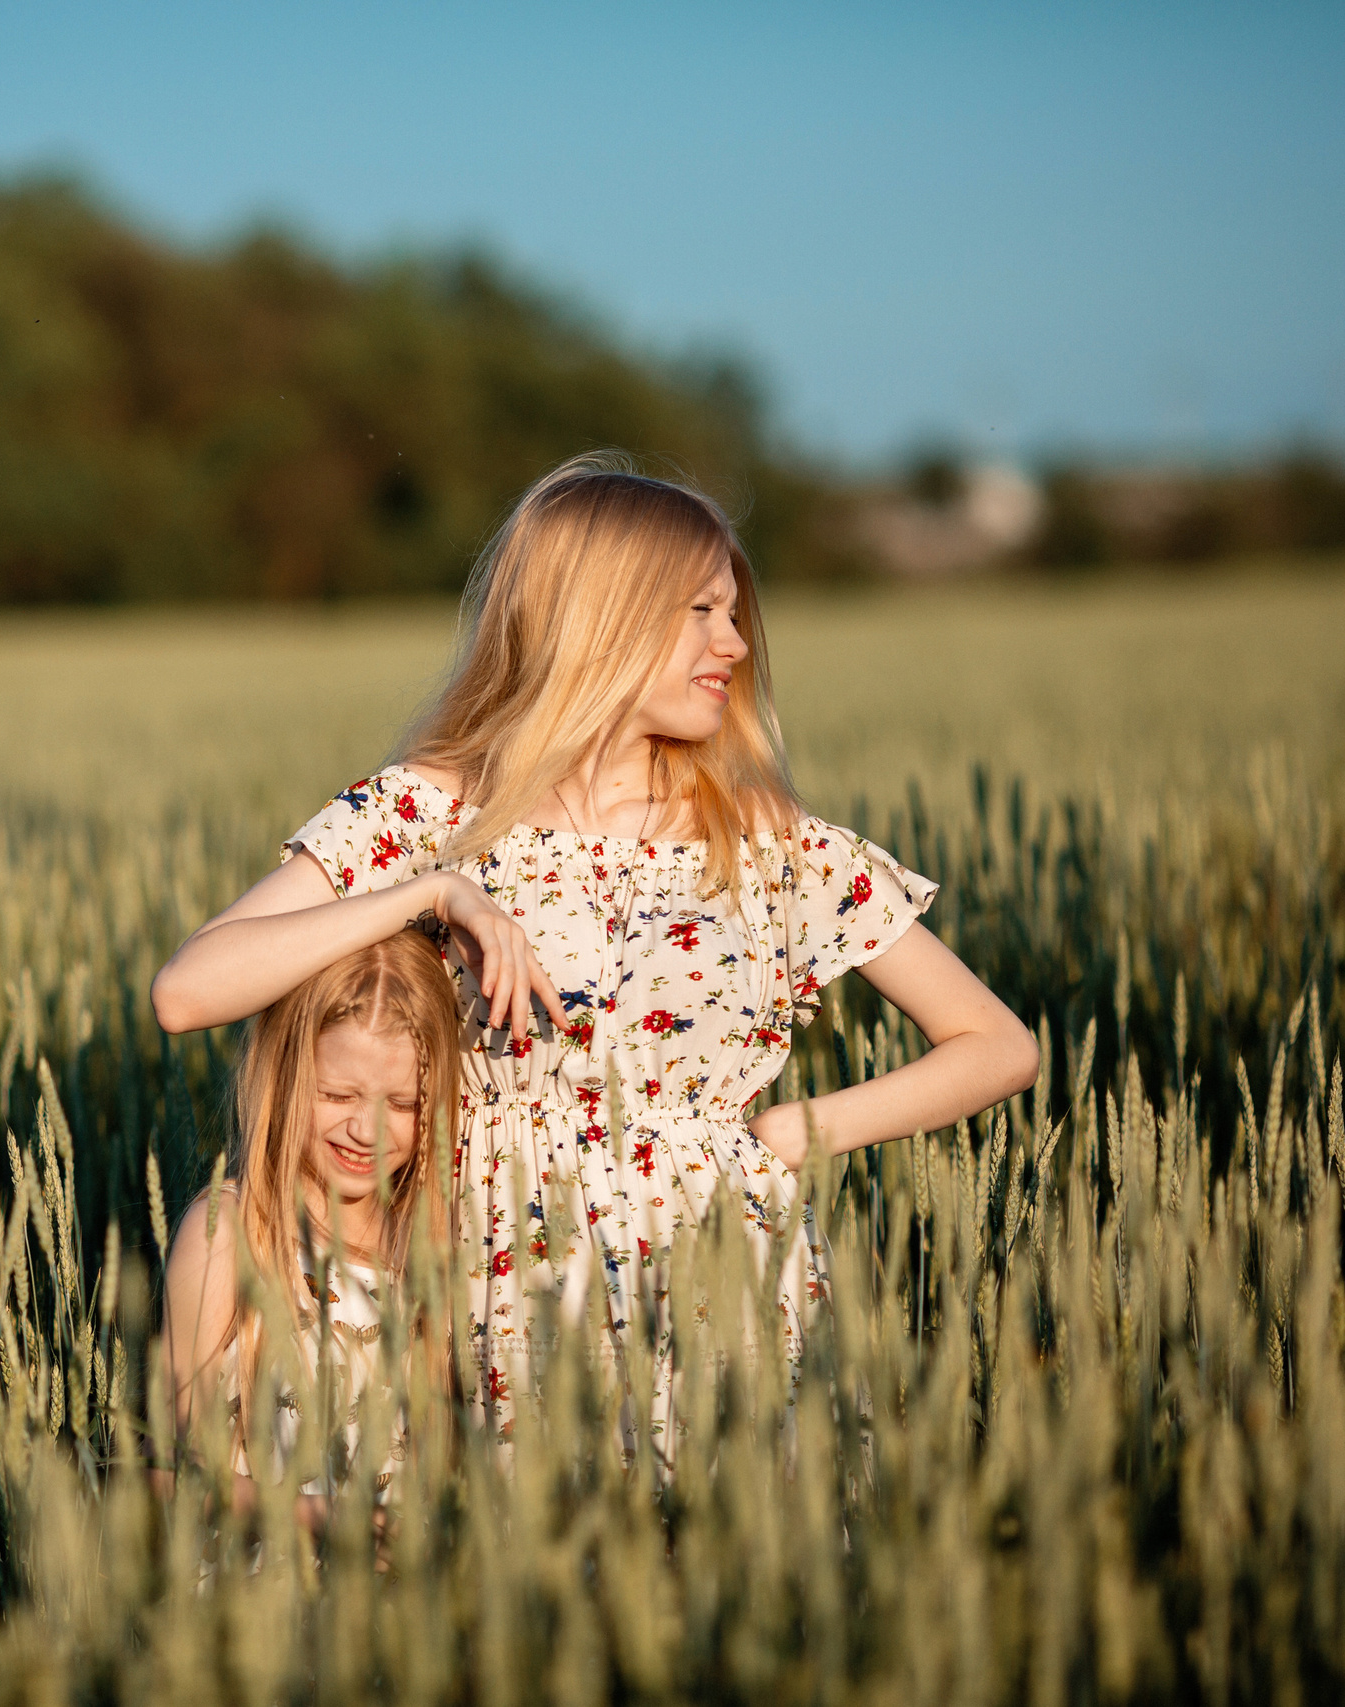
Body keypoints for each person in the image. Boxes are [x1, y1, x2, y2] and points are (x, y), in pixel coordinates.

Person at [152, 452, 1038, 1421]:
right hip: (497, 1277)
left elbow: (996, 1045)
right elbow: (189, 991)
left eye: (734, 612)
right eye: (701, 611)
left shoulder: (768, 841)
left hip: (730, 1275)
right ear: (601, 617)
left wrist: (787, 1134)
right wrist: (432, 893)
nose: (735, 642)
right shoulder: (429, 813)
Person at [159, 929, 462, 1514]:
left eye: (402, 1104)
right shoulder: (232, 1233)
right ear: (286, 1074)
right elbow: (164, 1469)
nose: (365, 1131)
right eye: (337, 1095)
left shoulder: (428, 1248)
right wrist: (315, 1521)